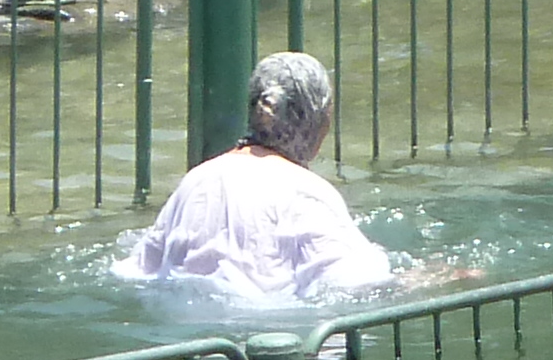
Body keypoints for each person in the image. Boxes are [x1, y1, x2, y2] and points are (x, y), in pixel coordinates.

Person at [114, 52, 397, 302]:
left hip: (193, 345)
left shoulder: (195, 181)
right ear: (314, 121)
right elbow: (355, 286)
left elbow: (136, 271)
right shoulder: (308, 192)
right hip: (269, 343)